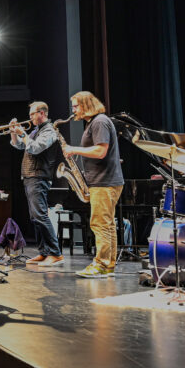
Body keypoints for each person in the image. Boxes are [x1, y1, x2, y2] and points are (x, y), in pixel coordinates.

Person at [62, 91, 124, 279]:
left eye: (76, 106)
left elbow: (100, 151)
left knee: (99, 223)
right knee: (107, 224)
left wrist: (74, 150)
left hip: (104, 182)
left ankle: (101, 264)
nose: (73, 110)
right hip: (104, 181)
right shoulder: (95, 122)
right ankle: (108, 265)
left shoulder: (99, 122)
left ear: (86, 105)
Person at [8, 101, 64, 266]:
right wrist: (13, 132)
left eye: (33, 114)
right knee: (35, 217)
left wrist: (23, 134)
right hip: (30, 177)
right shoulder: (34, 131)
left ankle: (56, 253)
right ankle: (44, 252)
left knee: (40, 216)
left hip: (39, 176)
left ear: (42, 113)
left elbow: (35, 148)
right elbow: (19, 145)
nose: (30, 117)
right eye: (30, 114)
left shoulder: (50, 131)